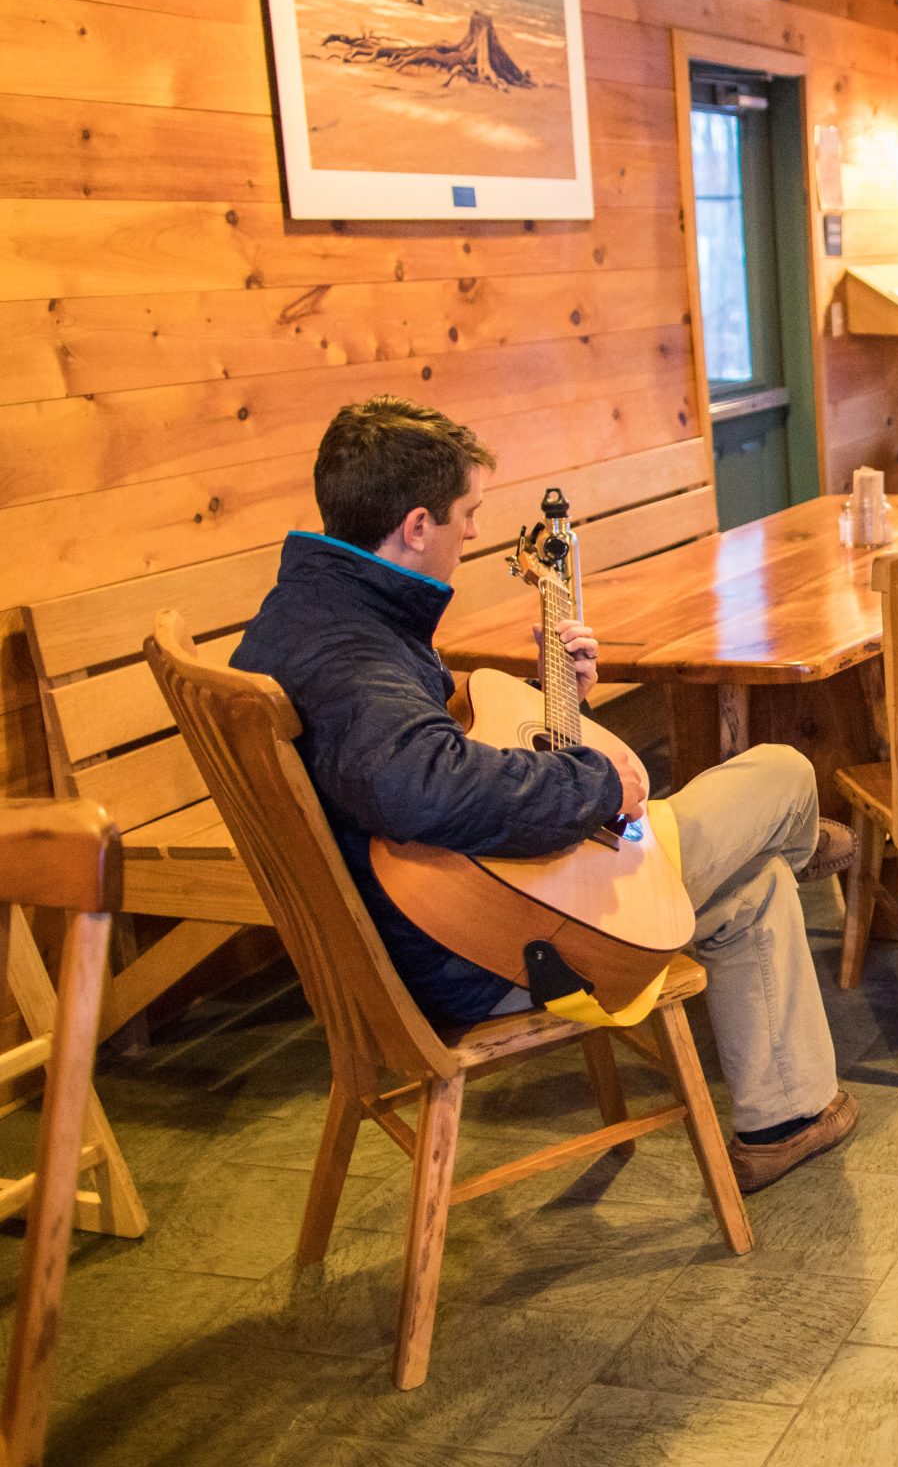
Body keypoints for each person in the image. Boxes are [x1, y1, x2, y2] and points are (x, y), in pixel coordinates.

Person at [233, 399, 855, 1193]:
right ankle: (809, 842)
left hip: (435, 920)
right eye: (468, 515)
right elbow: (418, 785)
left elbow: (413, 761)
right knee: (782, 772)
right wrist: (595, 781)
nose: (472, 534)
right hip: (490, 944)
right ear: (416, 524)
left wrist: (548, 697)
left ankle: (785, 1122)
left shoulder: (308, 613)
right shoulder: (354, 654)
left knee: (752, 881)